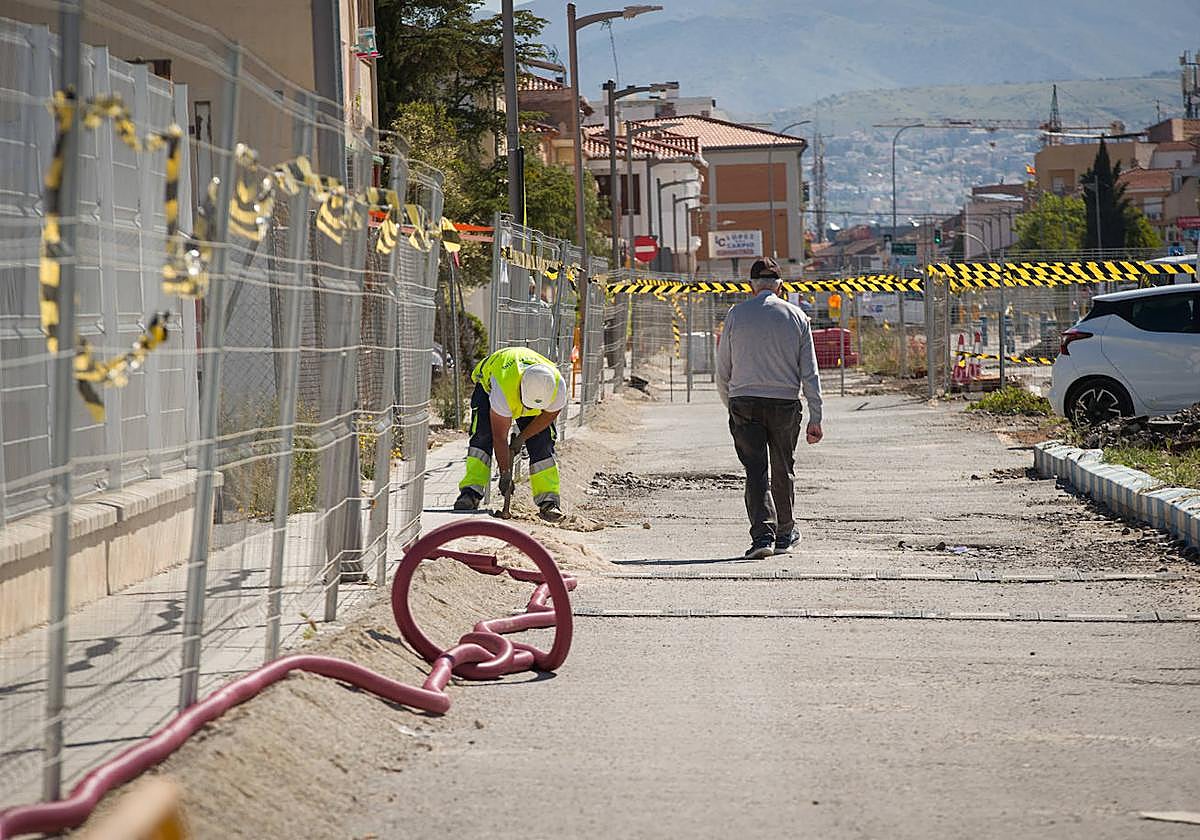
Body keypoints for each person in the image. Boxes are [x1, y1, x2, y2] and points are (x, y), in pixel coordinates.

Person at [716, 258, 823, 558]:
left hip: (744, 402)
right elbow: (810, 372)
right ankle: (785, 534)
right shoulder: (797, 316)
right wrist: (816, 416)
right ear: (780, 285)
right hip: (784, 403)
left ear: (751, 285)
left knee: (755, 471)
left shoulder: (736, 315)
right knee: (782, 469)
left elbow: (723, 369)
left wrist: (732, 404)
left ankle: (762, 537)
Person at [453, 346, 567, 522]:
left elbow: (547, 417)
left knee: (543, 442)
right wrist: (505, 472)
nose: (528, 410)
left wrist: (522, 437)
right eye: (527, 405)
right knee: (482, 436)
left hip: (529, 388)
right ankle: (470, 492)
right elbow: (499, 437)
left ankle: (549, 502)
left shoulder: (557, 387)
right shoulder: (503, 389)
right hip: (488, 386)